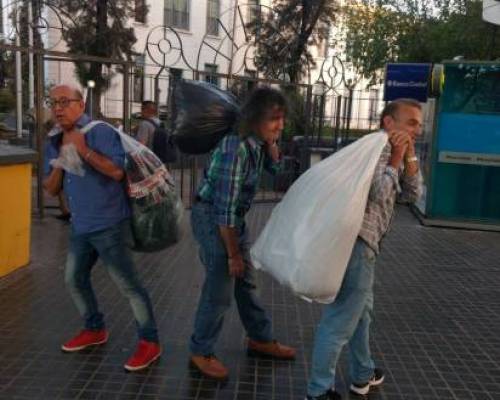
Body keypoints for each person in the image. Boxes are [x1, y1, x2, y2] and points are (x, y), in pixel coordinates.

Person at [305, 98, 424, 400]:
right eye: (411, 122)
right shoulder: (377, 149)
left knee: (361, 314)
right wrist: (397, 157)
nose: (418, 129)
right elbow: (380, 194)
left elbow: (412, 194)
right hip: (358, 246)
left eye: (420, 124)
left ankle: (362, 372)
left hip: (365, 246)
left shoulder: (396, 150)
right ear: (388, 122)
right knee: (340, 321)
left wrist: (408, 157)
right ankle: (318, 391)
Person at [43, 85, 161, 372]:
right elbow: (50, 189)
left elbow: (117, 171)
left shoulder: (100, 131)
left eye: (64, 102)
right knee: (74, 279)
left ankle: (150, 342)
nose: (58, 108)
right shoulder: (54, 139)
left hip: (109, 224)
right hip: (80, 226)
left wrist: (83, 151)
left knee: (129, 286)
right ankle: (95, 328)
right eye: (53, 102)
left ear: (81, 105)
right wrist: (62, 160)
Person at [189, 87, 296, 380]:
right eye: (275, 119)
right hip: (214, 219)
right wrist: (233, 254)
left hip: (232, 220)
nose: (281, 125)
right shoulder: (234, 148)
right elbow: (223, 208)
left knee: (246, 283)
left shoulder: (258, 144)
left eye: (282, 119)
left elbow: (274, 172)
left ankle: (260, 338)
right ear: (256, 117)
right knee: (220, 288)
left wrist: (273, 150)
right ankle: (200, 349)